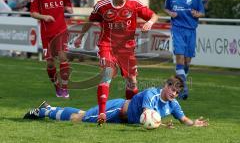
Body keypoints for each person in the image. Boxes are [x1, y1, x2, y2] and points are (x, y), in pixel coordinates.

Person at [74, 0, 160, 125]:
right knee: (106, 75)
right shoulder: (102, 6)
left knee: (132, 81)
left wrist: (149, 22)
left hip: (127, 49)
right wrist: (80, 36)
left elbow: (154, 15)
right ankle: (102, 113)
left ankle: (132, 111)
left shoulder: (133, 2)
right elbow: (90, 21)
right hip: (107, 46)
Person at [23, 76, 208, 128]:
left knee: (82, 114)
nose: (174, 93)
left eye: (177, 92)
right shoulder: (152, 94)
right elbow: (147, 116)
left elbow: (183, 119)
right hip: (117, 110)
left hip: (125, 119)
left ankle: (48, 108)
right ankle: (43, 111)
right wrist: (161, 124)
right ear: (165, 86)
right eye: (172, 89)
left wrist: (194, 124)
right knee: (77, 119)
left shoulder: (173, 104)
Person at [30, 0, 73, 98]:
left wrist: (69, 10)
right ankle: (57, 87)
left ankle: (65, 87)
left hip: (61, 31)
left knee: (63, 58)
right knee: (50, 63)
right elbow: (33, 13)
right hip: (46, 33)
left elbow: (68, 5)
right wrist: (44, 17)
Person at [164, 0, 205, 100]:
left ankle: (180, 83)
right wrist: (170, 13)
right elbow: (166, 8)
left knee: (187, 61)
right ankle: (184, 88)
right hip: (177, 29)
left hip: (191, 30)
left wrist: (196, 14)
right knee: (180, 58)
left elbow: (202, 13)